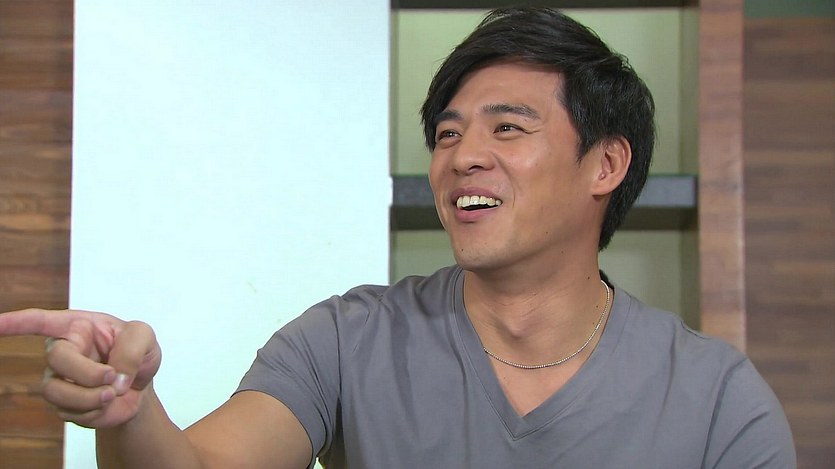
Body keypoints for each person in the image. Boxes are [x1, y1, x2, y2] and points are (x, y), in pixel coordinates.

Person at [0, 7, 795, 469]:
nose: (462, 156)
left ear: (605, 163)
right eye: (447, 134)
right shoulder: (345, 338)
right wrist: (130, 410)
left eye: (506, 127)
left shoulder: (716, 398)